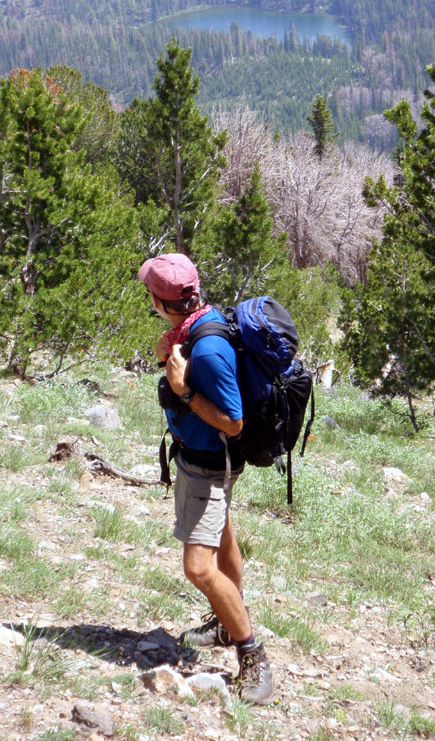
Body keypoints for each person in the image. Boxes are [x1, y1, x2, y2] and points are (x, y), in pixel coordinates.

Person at [139, 252, 274, 705]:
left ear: (160, 301)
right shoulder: (194, 326)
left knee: (198, 567)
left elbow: (233, 421)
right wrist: (167, 360)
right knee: (223, 537)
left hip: (208, 465)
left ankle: (252, 653)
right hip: (200, 460)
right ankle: (223, 620)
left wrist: (184, 390)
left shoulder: (209, 347)